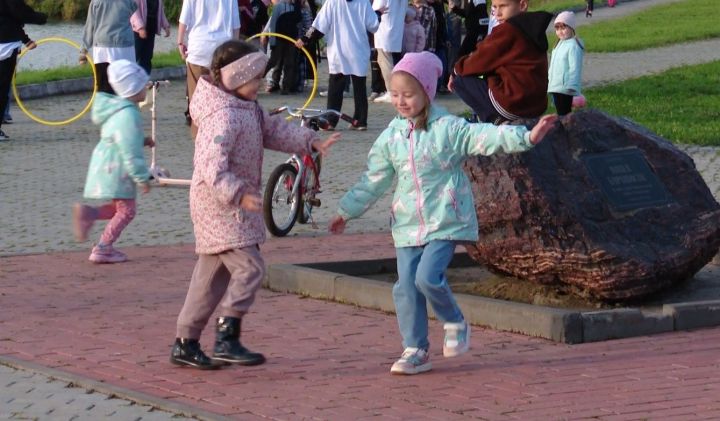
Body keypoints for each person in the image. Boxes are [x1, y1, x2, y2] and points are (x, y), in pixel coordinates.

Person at [328, 51, 557, 375]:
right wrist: (347, 211)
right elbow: (374, 179)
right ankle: (416, 349)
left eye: (408, 95)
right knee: (406, 286)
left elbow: (484, 136)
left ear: (426, 92)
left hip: (445, 218)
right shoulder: (392, 136)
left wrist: (526, 136)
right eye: (395, 95)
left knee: (427, 278)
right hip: (407, 223)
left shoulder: (447, 128)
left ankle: (455, 322)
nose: (401, 102)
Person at [170, 40, 341, 369]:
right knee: (251, 268)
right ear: (234, 79)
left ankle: (185, 342)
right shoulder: (222, 117)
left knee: (211, 279)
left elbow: (272, 130)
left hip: (233, 204)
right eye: (255, 79)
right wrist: (237, 193)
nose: (261, 84)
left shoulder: (246, 107)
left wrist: (310, 142)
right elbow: (210, 167)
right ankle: (226, 337)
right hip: (220, 205)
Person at [73, 60, 153, 264]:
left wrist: (141, 140)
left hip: (107, 165)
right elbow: (129, 150)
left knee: (119, 208)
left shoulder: (116, 109)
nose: (147, 88)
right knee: (127, 210)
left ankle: (88, 213)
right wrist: (142, 177)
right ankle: (103, 247)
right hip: (117, 168)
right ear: (132, 89)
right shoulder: (129, 113)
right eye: (143, 85)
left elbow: (120, 138)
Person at [449, 0, 553, 124]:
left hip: (512, 104)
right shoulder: (533, 29)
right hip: (536, 106)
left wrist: (455, 70)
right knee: (485, 72)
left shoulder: (507, 30)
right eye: (494, 7)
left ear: (522, 5)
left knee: (460, 80)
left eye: (503, 6)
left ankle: (493, 119)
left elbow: (480, 60)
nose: (497, 13)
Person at [296, 0, 379, 130]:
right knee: (359, 88)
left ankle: (330, 121)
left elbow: (319, 26)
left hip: (338, 50)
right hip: (358, 50)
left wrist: (305, 39)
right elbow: (373, 25)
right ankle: (360, 120)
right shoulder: (364, 2)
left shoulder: (332, 2)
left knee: (335, 87)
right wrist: (378, 14)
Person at [177, 0, 240, 139]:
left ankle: (200, 144)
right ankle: (219, 140)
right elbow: (236, 26)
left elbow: (184, 19)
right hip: (223, 50)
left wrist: (180, 41)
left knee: (197, 103)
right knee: (222, 102)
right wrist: (234, 51)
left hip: (199, 49)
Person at [0, 0, 46, 141]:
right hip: (6, 45)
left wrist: (26, 40)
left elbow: (12, 17)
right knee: (2, 88)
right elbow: (19, 12)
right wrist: (41, 18)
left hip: (8, 41)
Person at [80, 0, 138, 95]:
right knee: (126, 85)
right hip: (123, 46)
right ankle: (124, 108)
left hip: (102, 48)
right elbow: (135, 7)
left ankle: (105, 107)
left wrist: (84, 50)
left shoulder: (96, 2)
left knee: (103, 86)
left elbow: (90, 26)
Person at [548, 11, 584, 116]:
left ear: (571, 28)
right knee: (560, 112)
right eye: (557, 28)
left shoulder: (573, 46)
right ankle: (564, 128)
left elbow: (575, 67)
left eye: (563, 28)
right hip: (556, 86)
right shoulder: (558, 44)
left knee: (564, 113)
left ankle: (567, 129)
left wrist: (572, 85)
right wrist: (549, 80)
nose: (560, 31)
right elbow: (553, 66)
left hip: (565, 87)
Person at [371, 0, 407, 104]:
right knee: (393, 63)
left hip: (384, 31)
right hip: (396, 30)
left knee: (385, 63)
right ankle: (395, 91)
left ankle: (392, 92)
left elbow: (375, 10)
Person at [262, 0, 301, 94]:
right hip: (279, 39)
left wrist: (299, 39)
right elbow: (273, 23)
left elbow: (299, 24)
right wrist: (272, 41)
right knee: (273, 61)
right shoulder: (279, 6)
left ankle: (286, 87)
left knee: (290, 63)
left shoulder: (297, 7)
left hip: (291, 40)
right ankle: (260, 79)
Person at [130, 0, 171, 75]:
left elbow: (160, 11)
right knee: (135, 56)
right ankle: (129, 80)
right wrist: (140, 28)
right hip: (137, 32)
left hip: (151, 29)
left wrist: (166, 26)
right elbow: (133, 11)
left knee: (147, 57)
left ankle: (145, 80)